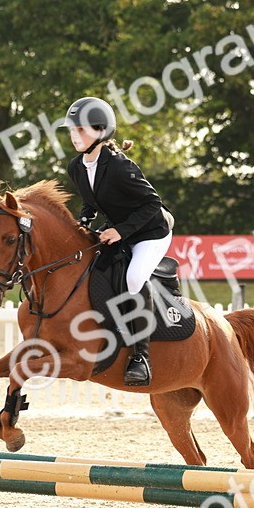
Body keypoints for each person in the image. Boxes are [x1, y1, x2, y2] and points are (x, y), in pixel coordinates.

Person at [64, 96, 174, 386]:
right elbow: (92, 201)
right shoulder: (76, 167)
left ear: (101, 132)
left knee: (135, 277)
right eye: (72, 130)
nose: (75, 135)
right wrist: (83, 221)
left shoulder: (119, 166)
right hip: (120, 228)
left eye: (82, 130)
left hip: (152, 230)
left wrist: (121, 232)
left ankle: (141, 356)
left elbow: (153, 204)